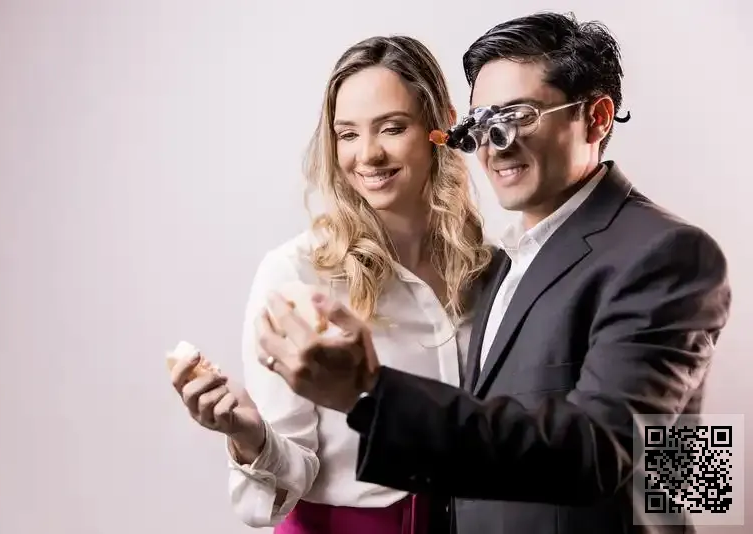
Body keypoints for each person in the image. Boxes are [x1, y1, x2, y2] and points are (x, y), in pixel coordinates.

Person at [255, 12, 732, 534]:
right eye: (482, 121)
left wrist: (369, 391)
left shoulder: (669, 252)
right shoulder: (502, 260)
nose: (495, 142)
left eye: (520, 115)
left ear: (596, 118)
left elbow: (622, 455)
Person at [170, 35, 491, 533]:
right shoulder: (296, 273)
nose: (368, 154)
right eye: (347, 134)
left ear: (442, 126)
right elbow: (285, 483)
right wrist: (248, 435)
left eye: (392, 128)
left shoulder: (491, 268)